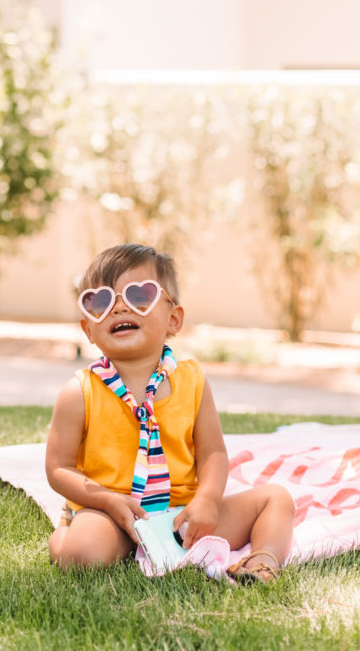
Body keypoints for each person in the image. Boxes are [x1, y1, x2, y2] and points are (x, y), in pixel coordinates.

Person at [45, 243, 295, 579]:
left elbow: (213, 453)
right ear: (88, 329)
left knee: (276, 499)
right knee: (82, 554)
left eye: (139, 296)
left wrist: (206, 501)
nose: (118, 308)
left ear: (173, 319)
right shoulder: (80, 392)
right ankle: (63, 532)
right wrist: (106, 501)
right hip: (114, 513)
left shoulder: (191, 380)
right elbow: (59, 467)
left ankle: (263, 560)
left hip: (184, 516)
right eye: (100, 302)